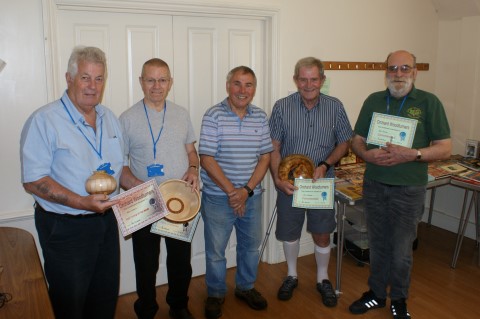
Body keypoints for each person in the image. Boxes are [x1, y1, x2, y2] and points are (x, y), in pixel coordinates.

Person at [20, 46, 125, 319]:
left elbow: (118, 171)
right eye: (85, 77)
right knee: (71, 302)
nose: (93, 86)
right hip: (65, 227)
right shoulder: (45, 120)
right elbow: (33, 180)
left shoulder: (110, 119)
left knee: (105, 296)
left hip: (105, 222)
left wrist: (148, 191)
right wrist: (82, 202)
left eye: (99, 78)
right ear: (69, 78)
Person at [349, 50, 452, 319]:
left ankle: (399, 299)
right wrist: (365, 153)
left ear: (415, 72)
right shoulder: (373, 100)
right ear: (385, 72)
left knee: (401, 250)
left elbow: (445, 148)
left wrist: (414, 154)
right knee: (377, 244)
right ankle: (376, 294)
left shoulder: (429, 102)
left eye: (404, 68)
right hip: (374, 185)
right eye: (393, 68)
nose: (398, 74)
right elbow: (356, 139)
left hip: (408, 190)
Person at [119, 58, 199, 319]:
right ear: (141, 82)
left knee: (179, 261)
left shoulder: (181, 113)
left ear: (170, 82)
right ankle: (146, 309)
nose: (157, 85)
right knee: (145, 263)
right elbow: (121, 167)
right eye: (150, 80)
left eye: (162, 79)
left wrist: (193, 169)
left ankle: (178, 305)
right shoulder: (127, 118)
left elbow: (191, 152)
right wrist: (140, 188)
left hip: (178, 199)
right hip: (143, 202)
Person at [269, 57, 353, 307]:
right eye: (303, 79)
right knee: (290, 232)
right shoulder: (282, 107)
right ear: (296, 80)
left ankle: (322, 279)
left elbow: (345, 142)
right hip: (289, 184)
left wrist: (326, 164)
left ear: (322, 80)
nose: (308, 84)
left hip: (321, 184)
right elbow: (273, 147)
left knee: (322, 233)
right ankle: (292, 275)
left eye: (313, 79)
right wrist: (277, 179)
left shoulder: (335, 106)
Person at [199, 66, 273, 319]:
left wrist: (246, 191)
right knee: (216, 251)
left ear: (254, 88)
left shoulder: (260, 117)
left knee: (250, 248)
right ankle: (216, 293)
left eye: (249, 85)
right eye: (238, 84)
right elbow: (206, 159)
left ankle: (245, 287)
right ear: (228, 86)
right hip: (218, 198)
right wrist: (234, 193)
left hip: (251, 196)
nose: (243, 90)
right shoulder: (213, 116)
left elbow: (265, 157)